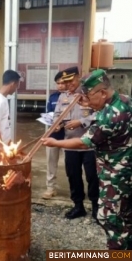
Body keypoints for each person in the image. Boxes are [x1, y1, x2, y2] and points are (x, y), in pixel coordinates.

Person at [41, 69, 132, 250]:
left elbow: (85, 142)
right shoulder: (123, 100)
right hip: (125, 169)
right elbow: (101, 110)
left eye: (90, 97)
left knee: (110, 219)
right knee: (127, 215)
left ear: (103, 93)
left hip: (115, 174)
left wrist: (55, 143)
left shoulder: (110, 117)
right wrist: (90, 104)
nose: (87, 102)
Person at [53, 66, 99, 220]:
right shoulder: (63, 96)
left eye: (71, 80)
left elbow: (98, 114)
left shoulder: (89, 94)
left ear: (78, 77)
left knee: (92, 176)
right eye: (65, 81)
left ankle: (95, 207)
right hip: (71, 143)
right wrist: (57, 124)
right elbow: (57, 115)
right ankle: (78, 206)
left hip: (88, 144)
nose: (68, 84)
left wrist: (81, 121)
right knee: (73, 175)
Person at [42, 71, 67, 199]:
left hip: (69, 135)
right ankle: (50, 188)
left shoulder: (74, 97)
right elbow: (49, 113)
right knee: (51, 162)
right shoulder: (52, 97)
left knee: (71, 164)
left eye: (63, 83)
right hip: (53, 135)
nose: (61, 86)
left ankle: (75, 189)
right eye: (58, 83)